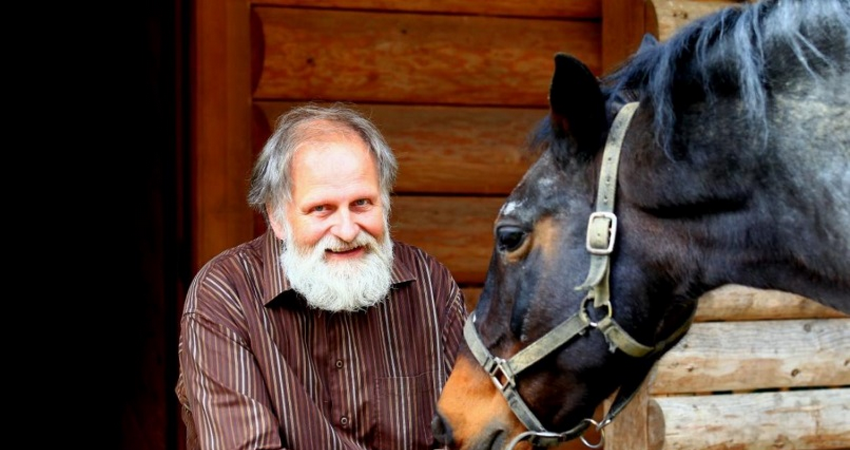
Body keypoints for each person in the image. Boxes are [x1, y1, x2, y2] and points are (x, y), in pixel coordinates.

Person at [176, 103, 468, 450]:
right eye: (321, 209)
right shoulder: (226, 295)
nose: (346, 230)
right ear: (277, 216)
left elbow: (471, 436)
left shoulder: (430, 286)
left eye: (362, 203)